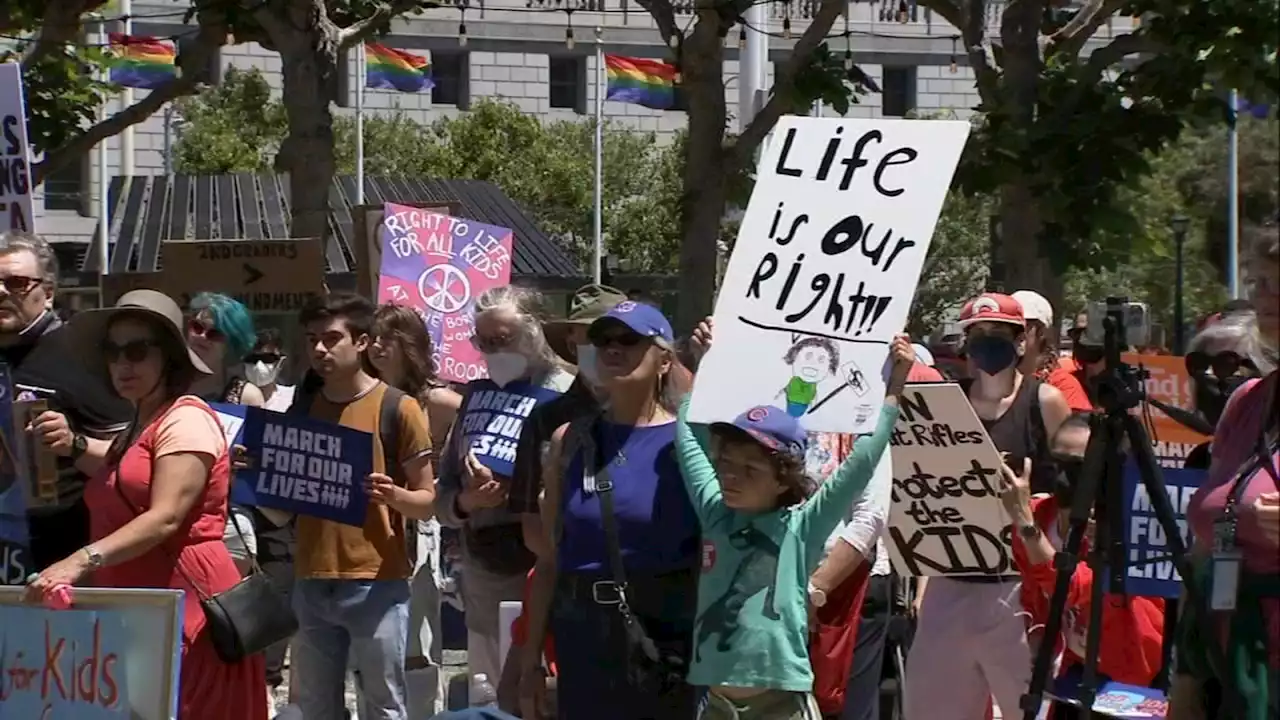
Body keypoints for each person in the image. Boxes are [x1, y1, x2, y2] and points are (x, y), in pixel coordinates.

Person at [25, 289, 267, 720]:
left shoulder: (186, 418)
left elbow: (165, 516)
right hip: (143, 604)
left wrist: (80, 561)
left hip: (186, 605)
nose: (122, 364)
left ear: (169, 358)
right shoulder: (144, 421)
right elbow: (128, 472)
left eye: (136, 351)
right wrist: (75, 443)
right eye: (113, 352)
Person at [672, 333, 909, 719]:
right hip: (716, 705)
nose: (730, 477)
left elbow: (863, 459)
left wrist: (894, 386)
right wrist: (707, 366)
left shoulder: (802, 527)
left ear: (784, 479)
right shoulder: (715, 512)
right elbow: (687, 435)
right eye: (726, 465)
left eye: (749, 469)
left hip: (781, 705)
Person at [520, 301, 700, 720]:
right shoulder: (570, 440)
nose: (613, 349)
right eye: (604, 341)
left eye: (630, 340)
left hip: (664, 635)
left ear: (664, 361)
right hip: (582, 632)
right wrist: (530, 656)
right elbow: (549, 559)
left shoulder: (689, 444)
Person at [903, 292, 1071, 720]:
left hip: (1018, 586)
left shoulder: (1045, 402)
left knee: (1027, 709)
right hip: (952, 581)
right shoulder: (945, 405)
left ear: (1021, 341)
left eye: (999, 333)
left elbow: (1071, 492)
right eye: (978, 334)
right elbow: (931, 499)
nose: (987, 342)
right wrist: (926, 585)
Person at [290, 293, 437, 720]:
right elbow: (283, 500)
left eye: (331, 338)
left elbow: (427, 503)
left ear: (362, 343)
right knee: (317, 707)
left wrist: (395, 496)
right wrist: (256, 470)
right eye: (312, 339)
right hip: (311, 578)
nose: (319, 349)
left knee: (385, 705)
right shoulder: (303, 407)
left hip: (377, 581)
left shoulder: (399, 408)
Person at [435, 286, 577, 688]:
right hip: (483, 582)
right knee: (489, 694)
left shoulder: (570, 395)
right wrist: (465, 501)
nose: (493, 350)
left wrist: (527, 486)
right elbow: (442, 493)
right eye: (484, 341)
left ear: (536, 333)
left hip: (546, 576)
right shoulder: (475, 399)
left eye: (504, 339)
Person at [1171, 229, 1279, 720]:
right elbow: (1206, 545)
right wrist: (1187, 676)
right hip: (1223, 664)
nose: (1266, 297)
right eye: (1260, 282)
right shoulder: (1247, 401)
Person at [1004, 413, 1166, 719]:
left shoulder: (1126, 530)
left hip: (1132, 682)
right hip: (1074, 674)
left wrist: (1025, 525)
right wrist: (1040, 638)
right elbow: (1034, 589)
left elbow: (1073, 586)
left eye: (1079, 468)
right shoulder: (1041, 515)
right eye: (1058, 464)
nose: (1064, 478)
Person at [4, 231, 131, 579]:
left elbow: (133, 465)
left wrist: (73, 443)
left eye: (15, 283)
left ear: (47, 293)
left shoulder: (81, 357)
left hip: (57, 565)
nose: (1, 292)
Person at [367, 302, 464, 717]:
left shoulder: (439, 401)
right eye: (371, 338)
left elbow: (467, 454)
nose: (375, 346)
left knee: (417, 642)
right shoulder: (361, 395)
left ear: (409, 345)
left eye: (386, 338)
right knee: (374, 641)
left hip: (420, 531)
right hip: (369, 529)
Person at [185, 292, 264, 574]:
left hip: (228, 524)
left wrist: (246, 464)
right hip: (171, 517)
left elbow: (262, 472)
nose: (201, 337)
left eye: (214, 333)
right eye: (196, 327)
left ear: (231, 343)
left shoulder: (247, 396)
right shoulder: (166, 390)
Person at [1182, 312, 1276, 470]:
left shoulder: (1273, 463)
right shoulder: (1199, 460)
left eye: (1225, 363)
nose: (1208, 373)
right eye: (1199, 363)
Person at [1013, 290, 1093, 410]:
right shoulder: (992, 379)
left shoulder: (1063, 386)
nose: (1011, 333)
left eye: (1021, 327)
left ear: (1041, 332)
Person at [245, 327, 297, 412]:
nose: (259, 365)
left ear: (281, 362)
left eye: (267, 358)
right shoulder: (232, 400)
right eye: (252, 359)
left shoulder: (293, 398)